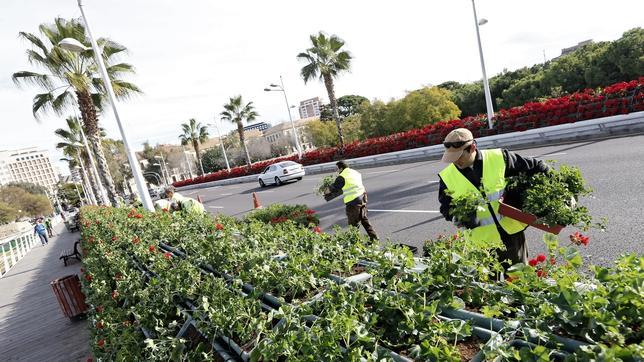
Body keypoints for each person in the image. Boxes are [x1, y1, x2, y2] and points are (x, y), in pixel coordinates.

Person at [437, 128, 550, 268]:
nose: (455, 161)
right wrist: (459, 218)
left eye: (459, 156)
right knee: (491, 287)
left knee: (520, 280)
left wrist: (552, 187)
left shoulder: (499, 158)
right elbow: (446, 208)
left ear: (472, 147)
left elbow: (536, 166)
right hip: (481, 244)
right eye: (452, 158)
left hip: (511, 235)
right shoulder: (447, 177)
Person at [324, 160, 378, 240]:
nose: (337, 171)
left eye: (337, 169)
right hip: (363, 197)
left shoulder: (342, 177)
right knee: (364, 220)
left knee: (353, 224)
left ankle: (355, 243)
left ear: (341, 168)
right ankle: (374, 238)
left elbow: (334, 188)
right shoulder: (354, 172)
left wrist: (325, 191)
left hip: (353, 202)